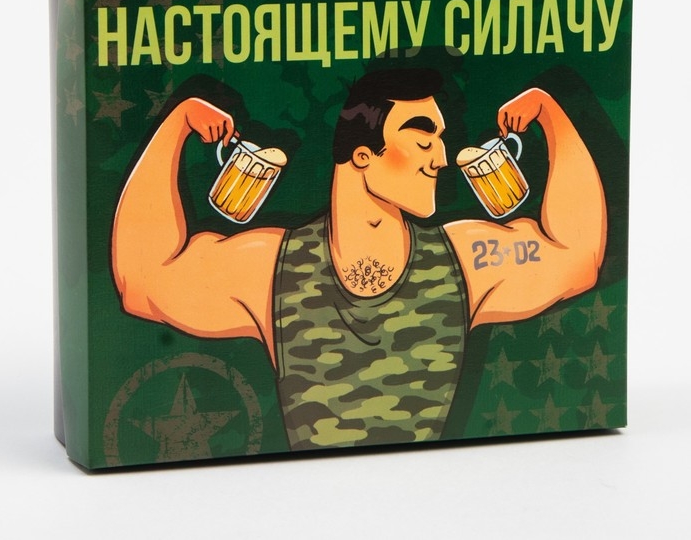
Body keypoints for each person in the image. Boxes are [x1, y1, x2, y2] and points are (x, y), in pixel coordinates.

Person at [111, 68, 606, 450]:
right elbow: (143, 281)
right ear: (363, 155)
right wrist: (177, 124)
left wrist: (550, 114)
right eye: (423, 139)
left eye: (440, 140)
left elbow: (577, 256)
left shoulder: (461, 261)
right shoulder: (274, 266)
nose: (440, 158)